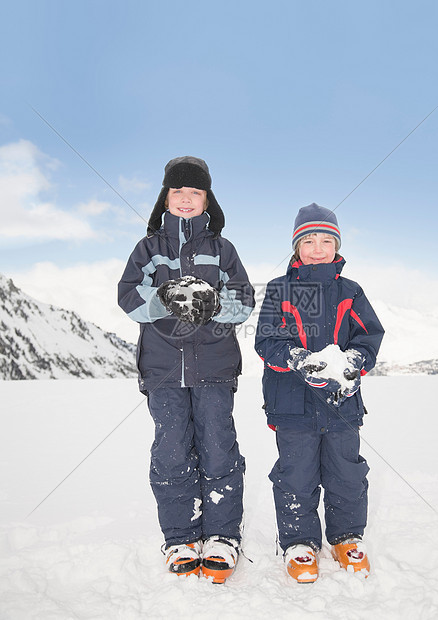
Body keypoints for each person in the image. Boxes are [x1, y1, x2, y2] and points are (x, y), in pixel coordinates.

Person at [118, 156, 255, 583]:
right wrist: (165, 300)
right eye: (178, 192)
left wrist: (214, 304)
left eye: (194, 192)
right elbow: (128, 297)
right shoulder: (148, 249)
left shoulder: (222, 250)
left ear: (207, 199)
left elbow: (245, 302)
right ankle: (179, 536)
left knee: (218, 446)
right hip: (162, 370)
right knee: (172, 451)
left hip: (214, 367)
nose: (186, 199)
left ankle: (222, 536)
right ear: (165, 198)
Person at [255, 203, 384, 583]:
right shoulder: (280, 290)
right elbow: (267, 341)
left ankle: (346, 537)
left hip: (342, 406)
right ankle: (299, 543)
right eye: (308, 240)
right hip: (292, 407)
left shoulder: (350, 291)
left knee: (346, 474)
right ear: (296, 246)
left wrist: (352, 362)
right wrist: (297, 359)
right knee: (296, 475)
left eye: (325, 240)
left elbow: (369, 338)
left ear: (336, 246)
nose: (316, 247)